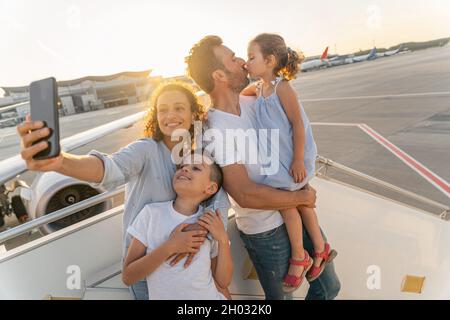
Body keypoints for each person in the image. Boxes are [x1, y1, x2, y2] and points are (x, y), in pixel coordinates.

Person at [16, 81, 231, 300]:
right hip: (146, 273)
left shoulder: (196, 159)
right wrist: (61, 162)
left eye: (179, 108)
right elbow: (108, 169)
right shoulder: (146, 149)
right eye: (162, 109)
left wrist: (208, 234)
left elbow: (217, 197)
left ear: (193, 113)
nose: (170, 115)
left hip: (190, 273)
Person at [186, 35, 341, 299]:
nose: (242, 63)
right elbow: (245, 193)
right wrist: (300, 196)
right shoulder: (214, 131)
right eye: (233, 59)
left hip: (296, 212)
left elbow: (287, 115)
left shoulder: (251, 101)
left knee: (329, 287)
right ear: (219, 75)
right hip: (266, 229)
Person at [242, 33, 337, 291]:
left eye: (252, 57)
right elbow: (245, 93)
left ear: (270, 60)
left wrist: (298, 160)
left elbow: (298, 124)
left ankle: (301, 255)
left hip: (293, 156)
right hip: (281, 157)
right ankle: (320, 248)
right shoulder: (260, 88)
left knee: (290, 203)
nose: (247, 62)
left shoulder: (282, 88)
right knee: (298, 200)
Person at [122, 154, 232, 300]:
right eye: (182, 166)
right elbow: (128, 277)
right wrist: (170, 247)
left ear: (211, 188)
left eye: (196, 168)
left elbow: (223, 282)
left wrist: (223, 241)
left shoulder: (211, 223)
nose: (185, 169)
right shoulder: (151, 214)